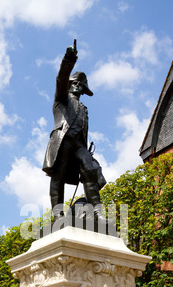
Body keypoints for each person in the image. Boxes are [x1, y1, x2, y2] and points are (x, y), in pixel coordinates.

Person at [42, 39, 107, 224]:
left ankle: (97, 212)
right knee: (58, 176)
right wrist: (68, 60)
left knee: (91, 171)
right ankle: (58, 216)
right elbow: (60, 79)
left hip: (79, 145)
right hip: (62, 141)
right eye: (76, 83)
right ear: (70, 84)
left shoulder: (84, 108)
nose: (79, 86)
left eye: (82, 85)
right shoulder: (61, 99)